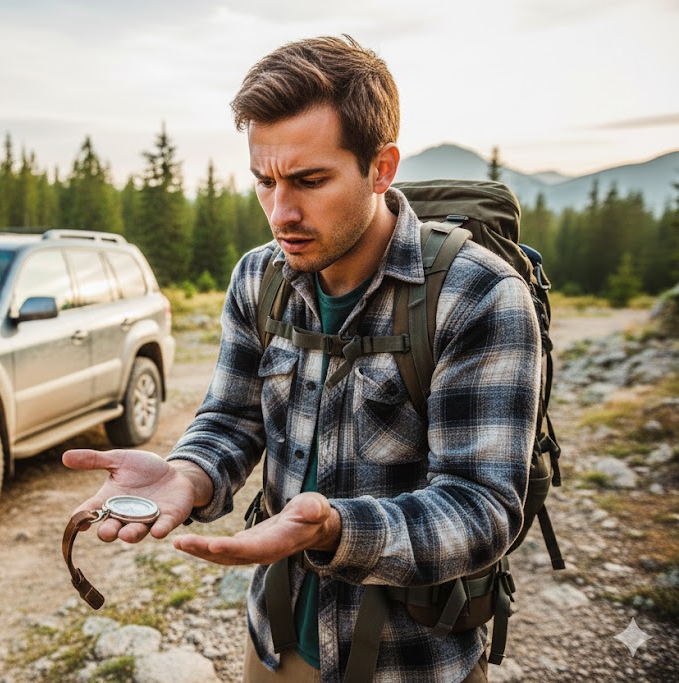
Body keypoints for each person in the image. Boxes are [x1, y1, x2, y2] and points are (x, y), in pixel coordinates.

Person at [65, 35, 540, 683]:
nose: (280, 212)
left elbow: (481, 509)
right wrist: (188, 472)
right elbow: (231, 419)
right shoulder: (258, 279)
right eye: (265, 181)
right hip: (276, 639)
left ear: (381, 168)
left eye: (310, 180)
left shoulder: (477, 295)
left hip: (414, 661)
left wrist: (337, 528)